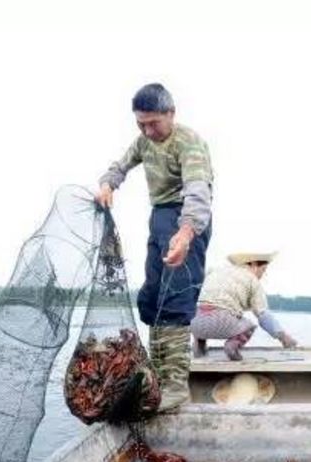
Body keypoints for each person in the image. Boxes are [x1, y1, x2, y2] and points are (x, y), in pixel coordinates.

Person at [95, 83, 213, 411]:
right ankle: (157, 375)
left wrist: (185, 234)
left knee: (175, 299)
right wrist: (107, 185)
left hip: (187, 219)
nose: (147, 131)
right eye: (141, 124)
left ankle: (175, 387)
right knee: (152, 297)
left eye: (153, 123)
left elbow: (198, 194)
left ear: (171, 113)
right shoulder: (143, 142)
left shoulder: (188, 143)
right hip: (160, 217)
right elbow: (119, 166)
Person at [190, 252, 298, 361]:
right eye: (263, 270)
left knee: (203, 310)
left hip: (195, 323)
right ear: (253, 265)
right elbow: (263, 316)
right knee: (250, 326)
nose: (262, 275)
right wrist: (283, 337)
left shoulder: (215, 271)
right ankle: (232, 346)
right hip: (221, 322)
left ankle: (199, 345)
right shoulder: (252, 280)